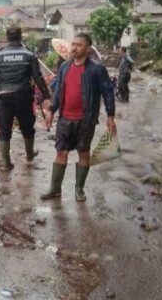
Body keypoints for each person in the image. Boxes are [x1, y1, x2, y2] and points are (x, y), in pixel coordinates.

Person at [41, 33, 116, 202]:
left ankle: (79, 189)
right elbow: (59, 90)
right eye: (73, 44)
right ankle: (55, 189)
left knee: (83, 153)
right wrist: (52, 110)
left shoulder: (97, 69)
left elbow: (108, 92)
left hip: (86, 120)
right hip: (65, 119)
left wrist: (110, 116)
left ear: (88, 49)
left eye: (79, 45)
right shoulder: (65, 67)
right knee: (61, 152)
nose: (74, 48)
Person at [0, 27, 51, 170]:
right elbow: (38, 77)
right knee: (27, 127)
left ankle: (5, 163)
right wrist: (46, 95)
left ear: (7, 38)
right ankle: (29, 154)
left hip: (4, 97)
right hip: (23, 96)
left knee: (5, 130)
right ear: (20, 38)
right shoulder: (29, 55)